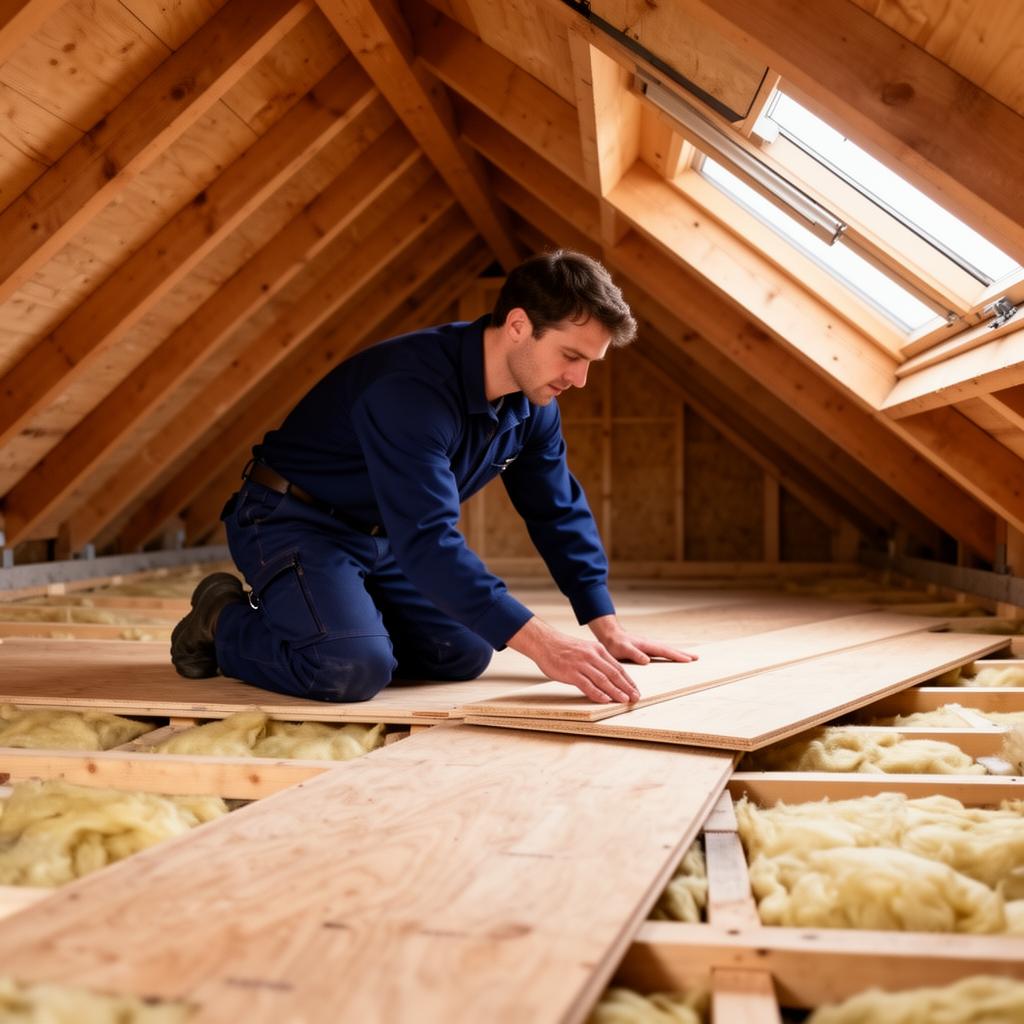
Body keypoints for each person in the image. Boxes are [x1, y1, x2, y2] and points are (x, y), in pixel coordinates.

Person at [170, 250, 697, 703]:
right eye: (571, 357)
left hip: (382, 539)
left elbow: (556, 509)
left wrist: (604, 623)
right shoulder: (410, 390)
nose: (579, 380)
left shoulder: (533, 406)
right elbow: (428, 539)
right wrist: (543, 643)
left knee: (463, 652)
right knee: (350, 668)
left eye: (591, 363)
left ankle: (344, 618)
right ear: (518, 326)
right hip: (291, 520)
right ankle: (221, 618)